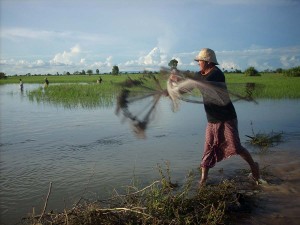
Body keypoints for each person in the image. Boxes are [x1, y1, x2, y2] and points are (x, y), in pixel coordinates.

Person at [170, 48, 260, 186]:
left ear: (207, 61)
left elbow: (199, 83)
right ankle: (203, 180)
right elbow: (186, 88)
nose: (198, 63)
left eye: (200, 60)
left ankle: (254, 166)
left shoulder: (216, 74)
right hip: (212, 118)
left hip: (227, 117)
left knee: (236, 147)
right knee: (208, 147)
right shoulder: (199, 74)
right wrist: (174, 86)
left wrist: (182, 80)